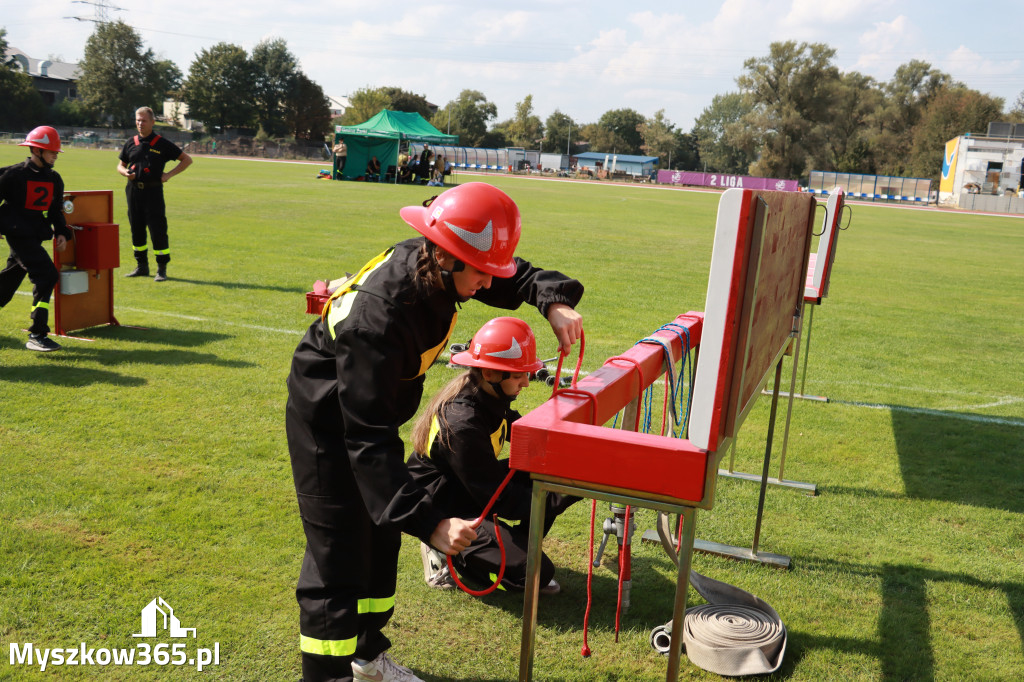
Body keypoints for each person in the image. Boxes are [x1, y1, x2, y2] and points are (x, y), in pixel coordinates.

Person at [286, 181, 583, 682]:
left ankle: (366, 661)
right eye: (481, 273)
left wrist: (550, 301)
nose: (489, 286)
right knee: (338, 554)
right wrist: (431, 523)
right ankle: (327, 675)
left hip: (370, 420)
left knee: (380, 539)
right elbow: (365, 437)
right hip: (330, 427)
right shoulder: (377, 320)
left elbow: (511, 277)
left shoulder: (438, 262)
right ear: (447, 258)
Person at [408, 317, 580, 594]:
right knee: (535, 574)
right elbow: (502, 499)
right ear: (490, 374)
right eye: (519, 374)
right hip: (445, 507)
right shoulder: (462, 423)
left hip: (468, 488)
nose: (526, 382)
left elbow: (526, 435)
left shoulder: (489, 397)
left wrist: (570, 456)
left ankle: (511, 549)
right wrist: (566, 490)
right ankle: (444, 550)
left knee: (548, 475)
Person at [0, 126, 73, 352]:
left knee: (7, 283)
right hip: (18, 235)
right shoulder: (12, 175)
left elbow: (55, 211)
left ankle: (37, 333)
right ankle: (37, 333)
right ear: (36, 150)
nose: (55, 155)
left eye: (56, 152)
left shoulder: (54, 179)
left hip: (34, 235)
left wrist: (61, 231)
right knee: (47, 275)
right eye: (51, 151)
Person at [117, 106, 192, 281]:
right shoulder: (130, 142)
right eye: (137, 120)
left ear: (152, 122)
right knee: (136, 229)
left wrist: (169, 175)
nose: (140, 123)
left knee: (157, 230)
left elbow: (187, 160)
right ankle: (141, 266)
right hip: (134, 191)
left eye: (143, 120)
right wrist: (124, 172)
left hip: (153, 192)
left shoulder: (161, 143)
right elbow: (120, 165)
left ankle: (161, 269)